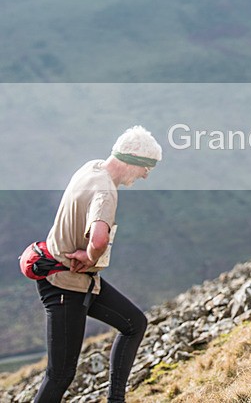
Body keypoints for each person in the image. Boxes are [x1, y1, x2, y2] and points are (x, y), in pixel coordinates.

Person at [33, 126, 162, 402]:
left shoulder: (91, 168)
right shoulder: (106, 193)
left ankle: (116, 399)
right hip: (66, 286)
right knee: (60, 374)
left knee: (135, 323)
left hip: (78, 280)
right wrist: (90, 256)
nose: (146, 175)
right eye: (146, 167)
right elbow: (100, 239)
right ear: (133, 160)